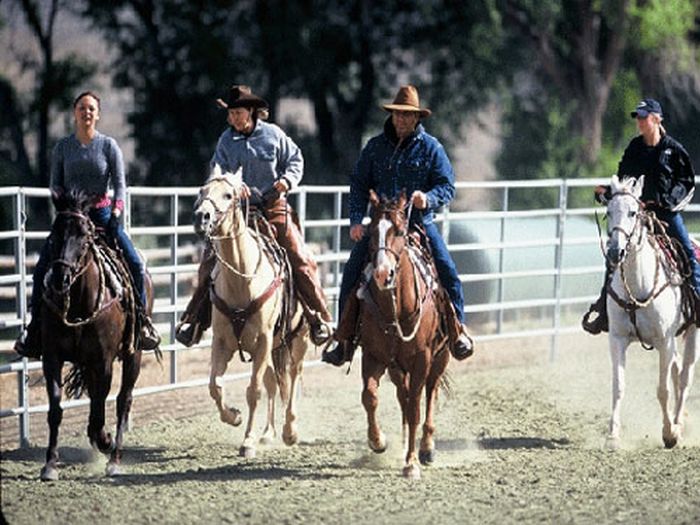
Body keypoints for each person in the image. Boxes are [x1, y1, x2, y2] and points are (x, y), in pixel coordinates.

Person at [322, 85, 475, 366]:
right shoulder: (375, 147)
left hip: (418, 224)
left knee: (447, 270)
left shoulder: (431, 148)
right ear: (392, 116)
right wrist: (356, 220)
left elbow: (447, 186)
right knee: (352, 273)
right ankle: (342, 339)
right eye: (398, 115)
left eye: (408, 115)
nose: (402, 120)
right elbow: (358, 184)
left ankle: (458, 332)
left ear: (417, 118)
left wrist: (427, 198)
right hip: (381, 226)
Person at [175, 85, 333, 347]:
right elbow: (217, 173)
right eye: (231, 113)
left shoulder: (273, 135)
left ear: (251, 111)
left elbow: (296, 160)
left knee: (299, 257)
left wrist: (286, 181)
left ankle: (320, 318)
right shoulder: (226, 141)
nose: (233, 118)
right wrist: (232, 186)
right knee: (209, 262)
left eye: (238, 112)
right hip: (236, 212)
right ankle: (194, 320)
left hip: (272, 207)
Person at [14, 91, 161, 358]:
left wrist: (116, 211)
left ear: (98, 114)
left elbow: (119, 185)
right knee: (41, 270)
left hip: (103, 216)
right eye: (82, 108)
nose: (87, 112)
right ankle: (34, 329)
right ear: (75, 113)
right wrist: (63, 202)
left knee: (136, 264)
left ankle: (142, 324)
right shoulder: (62, 147)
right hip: (71, 219)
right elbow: (55, 184)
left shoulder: (108, 146)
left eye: (91, 108)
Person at [582, 97, 699, 334]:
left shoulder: (674, 150)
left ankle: (697, 302)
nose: (640, 122)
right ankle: (605, 310)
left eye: (644, 117)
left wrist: (665, 203)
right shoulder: (634, 148)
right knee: (614, 255)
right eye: (638, 118)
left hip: (666, 215)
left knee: (688, 251)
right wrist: (608, 192)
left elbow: (686, 184)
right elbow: (624, 180)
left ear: (657, 119)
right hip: (636, 216)